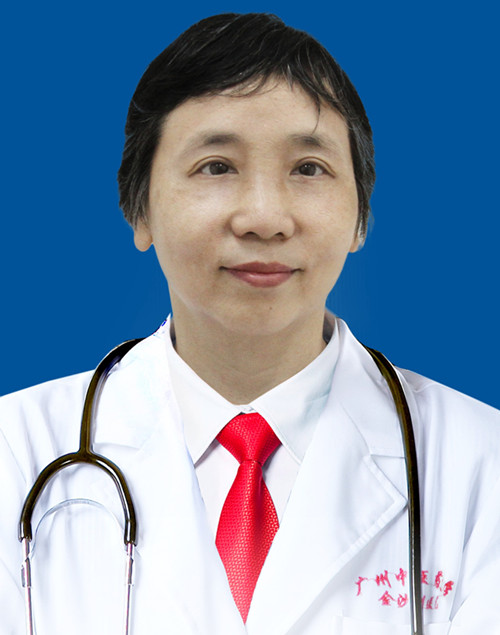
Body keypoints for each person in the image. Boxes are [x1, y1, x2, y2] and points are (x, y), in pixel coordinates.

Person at [1, 12, 499, 635]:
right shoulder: (14, 453)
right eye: (217, 166)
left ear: (360, 218)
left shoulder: (482, 465)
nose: (265, 218)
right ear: (139, 209)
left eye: (308, 168)